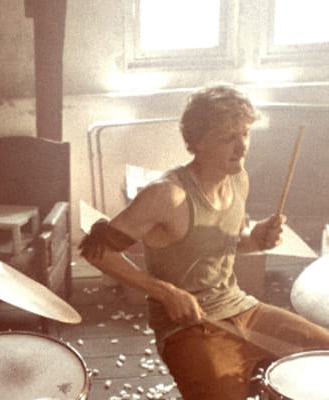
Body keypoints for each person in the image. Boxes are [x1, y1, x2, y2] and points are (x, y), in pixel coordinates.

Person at [80, 85, 329, 399]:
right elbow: (96, 251)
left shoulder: (239, 179)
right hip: (187, 325)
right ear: (197, 142)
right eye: (228, 138)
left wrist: (255, 239)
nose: (242, 147)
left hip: (240, 307)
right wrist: (165, 292)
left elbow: (228, 242)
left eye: (245, 134)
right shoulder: (167, 194)